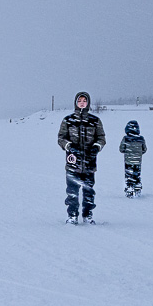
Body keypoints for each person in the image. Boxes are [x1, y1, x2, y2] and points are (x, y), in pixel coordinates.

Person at [57, 91, 105, 223]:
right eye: (80, 101)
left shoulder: (95, 121)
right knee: (72, 192)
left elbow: (101, 138)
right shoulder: (68, 120)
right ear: (76, 103)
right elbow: (61, 138)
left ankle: (87, 215)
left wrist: (96, 147)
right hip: (73, 164)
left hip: (89, 164)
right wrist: (68, 146)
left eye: (84, 101)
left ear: (88, 103)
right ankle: (72, 216)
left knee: (89, 191)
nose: (82, 103)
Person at [119, 120, 147, 197]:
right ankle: (137, 187)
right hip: (138, 161)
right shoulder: (141, 138)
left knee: (129, 175)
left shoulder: (126, 138)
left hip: (128, 161)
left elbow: (121, 149)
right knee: (137, 175)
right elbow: (144, 149)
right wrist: (138, 153)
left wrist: (127, 152)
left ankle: (129, 189)